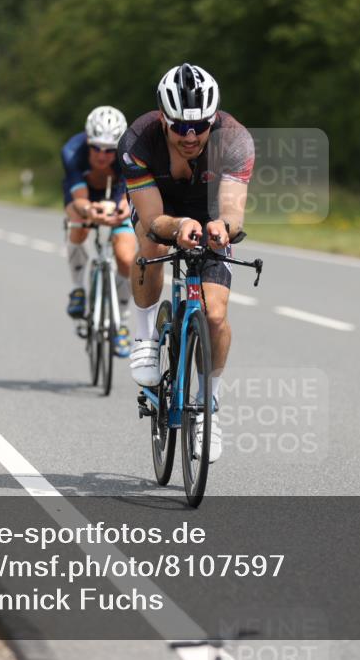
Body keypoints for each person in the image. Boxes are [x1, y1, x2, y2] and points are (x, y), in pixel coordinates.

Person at [118, 63, 254, 462]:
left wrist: (220, 228)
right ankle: (144, 336)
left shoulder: (235, 140)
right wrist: (177, 226)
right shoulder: (138, 141)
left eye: (200, 126)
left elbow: (232, 211)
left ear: (215, 119)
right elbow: (151, 217)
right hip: (160, 211)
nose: (190, 136)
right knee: (151, 244)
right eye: (179, 127)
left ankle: (207, 405)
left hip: (210, 213)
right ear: (163, 118)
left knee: (214, 315)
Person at [61, 106, 136, 357]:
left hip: (116, 195)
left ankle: (121, 323)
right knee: (77, 222)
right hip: (84, 197)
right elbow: (79, 199)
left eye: (109, 150)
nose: (102, 156)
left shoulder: (130, 154)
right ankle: (78, 289)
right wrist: (89, 211)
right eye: (96, 148)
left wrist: (122, 211)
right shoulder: (72, 152)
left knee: (126, 259)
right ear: (88, 141)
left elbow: (129, 196)